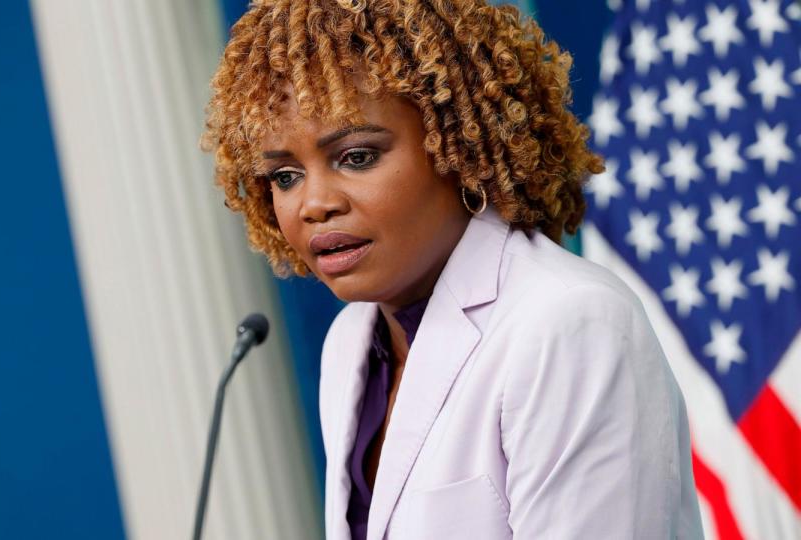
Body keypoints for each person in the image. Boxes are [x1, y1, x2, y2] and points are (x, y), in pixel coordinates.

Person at [202, 1, 703, 538]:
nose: (313, 204)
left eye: (357, 157)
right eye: (284, 175)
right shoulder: (351, 341)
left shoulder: (568, 325)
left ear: (458, 149)